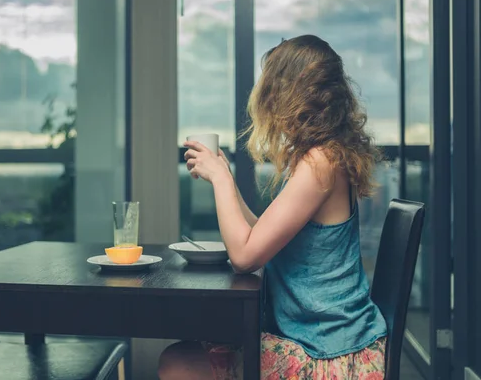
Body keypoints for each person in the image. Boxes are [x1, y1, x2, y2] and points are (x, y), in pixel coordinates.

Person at [158, 35, 387, 379]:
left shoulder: (319, 163)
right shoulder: (322, 155)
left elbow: (245, 256)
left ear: (290, 93)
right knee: (189, 353)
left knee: (177, 363)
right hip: (325, 341)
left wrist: (221, 179)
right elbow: (260, 237)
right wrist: (228, 181)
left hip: (329, 356)